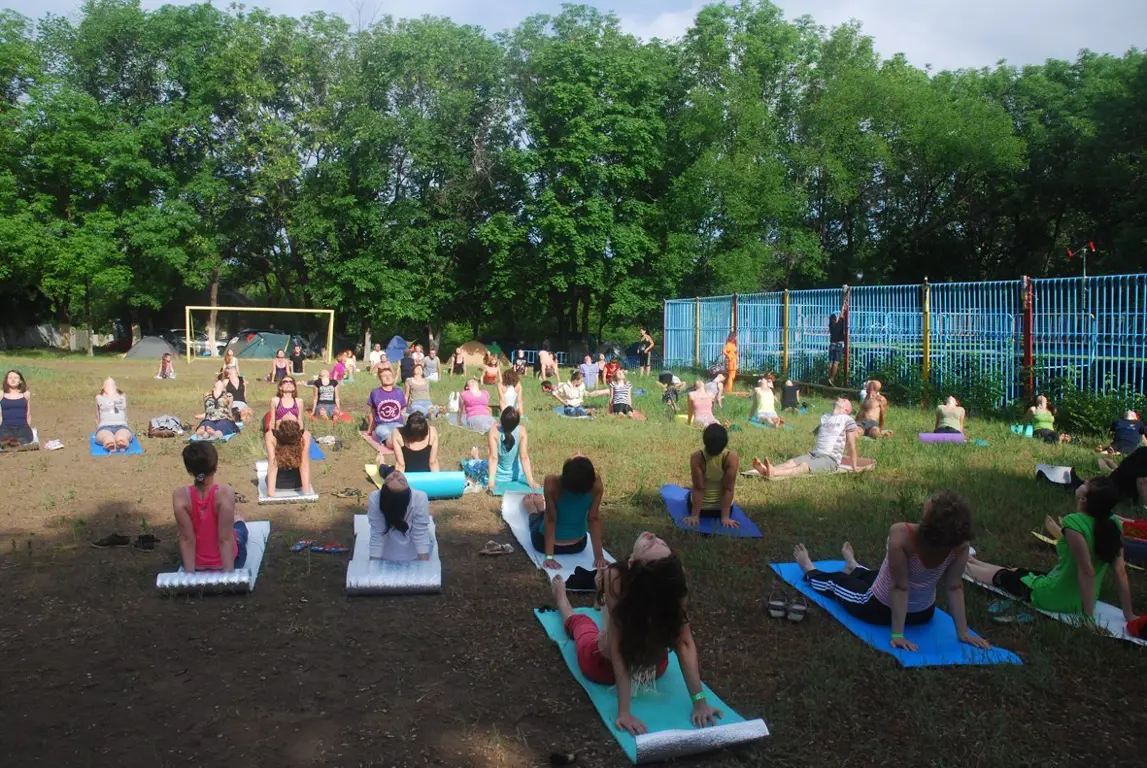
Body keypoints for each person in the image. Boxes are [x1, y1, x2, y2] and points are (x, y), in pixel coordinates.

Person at [548, 532, 724, 736]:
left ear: (631, 564)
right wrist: (698, 702)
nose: (653, 536)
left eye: (654, 544)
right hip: (656, 667)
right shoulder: (675, 576)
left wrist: (700, 703)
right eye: (658, 541)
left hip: (603, 669)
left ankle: (562, 600)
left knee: (582, 623)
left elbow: (619, 645)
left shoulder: (616, 576)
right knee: (611, 614)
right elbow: (681, 642)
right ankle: (598, 598)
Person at [793, 490, 991, 651]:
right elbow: (954, 587)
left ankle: (809, 570)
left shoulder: (902, 534)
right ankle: (854, 566)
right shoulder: (959, 544)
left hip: (878, 609)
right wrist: (962, 632)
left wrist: (897, 635)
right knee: (875, 575)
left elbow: (900, 587)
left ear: (929, 519)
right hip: (923, 613)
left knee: (837, 582)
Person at [965, 478, 1138, 624]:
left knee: (1002, 577)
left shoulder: (1074, 523)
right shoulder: (1113, 523)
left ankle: (961, 566)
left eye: (1087, 483)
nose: (1084, 481)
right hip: (1077, 593)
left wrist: (1088, 618)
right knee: (1016, 572)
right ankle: (970, 559)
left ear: (1084, 499)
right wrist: (1128, 615)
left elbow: (1087, 571)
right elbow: (1120, 572)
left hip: (1054, 597)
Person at [173, 442, 247, 573]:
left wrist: (190, 576)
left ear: (189, 470)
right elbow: (225, 539)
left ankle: (237, 521)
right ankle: (239, 521)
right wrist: (228, 576)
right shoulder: (225, 492)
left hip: (195, 564)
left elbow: (187, 539)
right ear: (216, 466)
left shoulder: (179, 496)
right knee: (239, 530)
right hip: (230, 560)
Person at [524, 455, 605, 568]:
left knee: (537, 520)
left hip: (542, 543)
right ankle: (540, 507)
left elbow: (551, 520)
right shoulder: (596, 484)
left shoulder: (552, 483)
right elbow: (593, 519)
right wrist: (599, 557)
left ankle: (531, 508)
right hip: (578, 545)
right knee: (546, 515)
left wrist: (549, 557)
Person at [752, 398, 865, 478]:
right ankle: (767, 470)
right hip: (815, 454)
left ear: (847, 410)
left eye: (844, 400)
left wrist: (854, 467)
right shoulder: (826, 417)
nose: (840, 398)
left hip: (830, 459)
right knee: (791, 462)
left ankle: (774, 473)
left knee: (804, 466)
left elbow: (851, 444)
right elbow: (817, 433)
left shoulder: (847, 420)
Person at [367, 468, 432, 563]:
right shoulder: (420, 497)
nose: (395, 475)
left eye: (389, 479)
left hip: (388, 555)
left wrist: (373, 565)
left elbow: (377, 533)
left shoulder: (375, 496)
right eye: (401, 481)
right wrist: (426, 566)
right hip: (411, 555)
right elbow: (421, 535)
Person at [686, 424, 740, 528]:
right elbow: (728, 489)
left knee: (690, 492)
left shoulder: (696, 457)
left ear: (704, 440)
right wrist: (725, 518)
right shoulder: (732, 457)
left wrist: (695, 516)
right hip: (720, 512)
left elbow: (698, 488)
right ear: (725, 442)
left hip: (702, 511)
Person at [486, 406, 537, 491]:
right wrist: (531, 481)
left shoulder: (493, 431)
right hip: (517, 475)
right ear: (517, 423)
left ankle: (475, 456)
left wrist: (491, 483)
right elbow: (524, 457)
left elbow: (493, 458)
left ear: (501, 420)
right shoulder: (522, 430)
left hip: (499, 477)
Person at [265, 418, 311, 498]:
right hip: (298, 484)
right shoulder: (305, 435)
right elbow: (304, 465)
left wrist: (270, 494)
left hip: (278, 485)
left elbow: (273, 466)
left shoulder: (270, 436)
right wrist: (307, 494)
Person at [367, 367, 407, 445]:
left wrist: (401, 421)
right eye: (384, 376)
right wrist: (370, 430)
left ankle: (403, 446)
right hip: (382, 426)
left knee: (404, 437)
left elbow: (403, 409)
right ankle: (398, 446)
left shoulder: (399, 392)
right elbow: (372, 413)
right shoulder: (375, 393)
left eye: (389, 375)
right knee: (390, 438)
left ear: (393, 377)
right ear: (380, 378)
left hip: (397, 424)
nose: (388, 377)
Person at [94, 378, 134, 452]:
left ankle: (115, 441)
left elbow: (97, 417)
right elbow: (125, 415)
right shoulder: (99, 397)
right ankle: (115, 440)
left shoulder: (122, 395)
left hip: (114, 426)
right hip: (109, 426)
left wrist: (97, 432)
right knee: (113, 435)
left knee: (111, 435)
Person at [0, 369, 34, 448]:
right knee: (5, 438)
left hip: (22, 426)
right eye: (10, 378)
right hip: (6, 426)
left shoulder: (26, 394)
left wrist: (28, 427)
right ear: (6, 380)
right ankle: (8, 442)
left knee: (23, 438)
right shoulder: (1, 394)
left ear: (20, 381)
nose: (13, 380)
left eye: (16, 377)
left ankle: (15, 442)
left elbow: (28, 414)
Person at [828, 297, 847, 385]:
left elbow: (840, 316)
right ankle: (832, 378)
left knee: (831, 362)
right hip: (839, 345)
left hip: (832, 344)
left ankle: (828, 377)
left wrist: (843, 305)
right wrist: (844, 306)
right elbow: (842, 315)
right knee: (836, 362)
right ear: (835, 319)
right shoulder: (840, 324)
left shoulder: (831, 326)